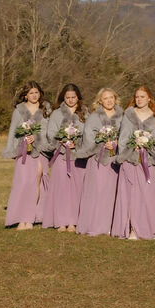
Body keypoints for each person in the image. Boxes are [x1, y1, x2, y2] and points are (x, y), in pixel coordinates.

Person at [112, 86, 155, 240]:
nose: (139, 99)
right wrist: (132, 147)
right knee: (130, 194)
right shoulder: (128, 114)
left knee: (146, 195)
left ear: (149, 98)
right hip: (130, 159)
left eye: (142, 96)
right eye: (137, 97)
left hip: (147, 161)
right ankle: (132, 229)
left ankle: (147, 227)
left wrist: (146, 145)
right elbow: (123, 137)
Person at [0, 81, 50, 229]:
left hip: (41, 150)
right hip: (24, 152)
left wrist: (37, 137)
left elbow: (49, 130)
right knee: (24, 183)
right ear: (25, 95)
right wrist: (20, 142)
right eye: (31, 93)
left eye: (36, 92)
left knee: (38, 179)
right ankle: (24, 217)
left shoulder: (46, 109)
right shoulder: (19, 111)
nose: (34, 95)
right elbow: (13, 131)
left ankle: (33, 217)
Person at [41, 83, 88, 232]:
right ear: (63, 97)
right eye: (67, 97)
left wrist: (78, 143)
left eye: (73, 97)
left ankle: (74, 222)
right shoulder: (56, 113)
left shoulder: (85, 112)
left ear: (78, 97)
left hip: (78, 157)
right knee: (61, 189)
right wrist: (60, 139)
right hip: (61, 155)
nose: (71, 100)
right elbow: (50, 132)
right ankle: (61, 221)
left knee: (77, 189)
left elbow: (89, 133)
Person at [76, 88, 123, 237]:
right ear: (99, 101)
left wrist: (116, 144)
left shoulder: (124, 116)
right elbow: (88, 138)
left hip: (116, 159)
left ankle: (111, 225)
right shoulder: (94, 117)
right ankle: (94, 224)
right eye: (105, 98)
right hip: (97, 159)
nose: (109, 101)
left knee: (113, 192)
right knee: (97, 191)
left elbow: (127, 135)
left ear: (115, 99)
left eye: (111, 97)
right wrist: (102, 144)